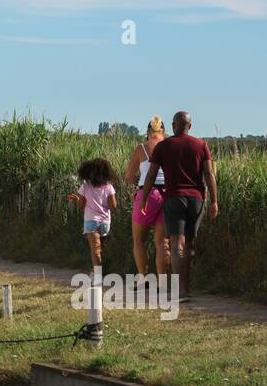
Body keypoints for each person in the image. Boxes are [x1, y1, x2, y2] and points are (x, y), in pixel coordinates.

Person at [138, 111, 218, 300]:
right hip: (196, 199)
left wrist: (144, 198)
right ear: (190, 126)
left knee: (176, 245)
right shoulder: (201, 145)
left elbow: (151, 175)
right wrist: (214, 201)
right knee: (189, 245)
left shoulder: (163, 147)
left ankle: (180, 290)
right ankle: (186, 287)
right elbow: (209, 174)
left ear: (173, 125)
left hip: (173, 198)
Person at [123, 115, 168, 277]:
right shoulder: (170, 147)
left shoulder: (142, 148)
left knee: (138, 240)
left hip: (147, 195)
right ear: (163, 132)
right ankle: (163, 282)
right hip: (168, 195)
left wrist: (137, 183)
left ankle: (143, 278)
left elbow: (128, 176)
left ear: (148, 132)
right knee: (162, 242)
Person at [67, 158, 117, 272]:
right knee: (100, 249)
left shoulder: (85, 185)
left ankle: (97, 274)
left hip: (91, 221)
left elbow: (81, 205)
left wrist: (77, 199)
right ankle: (98, 270)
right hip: (105, 222)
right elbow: (113, 206)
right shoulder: (108, 186)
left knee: (95, 250)